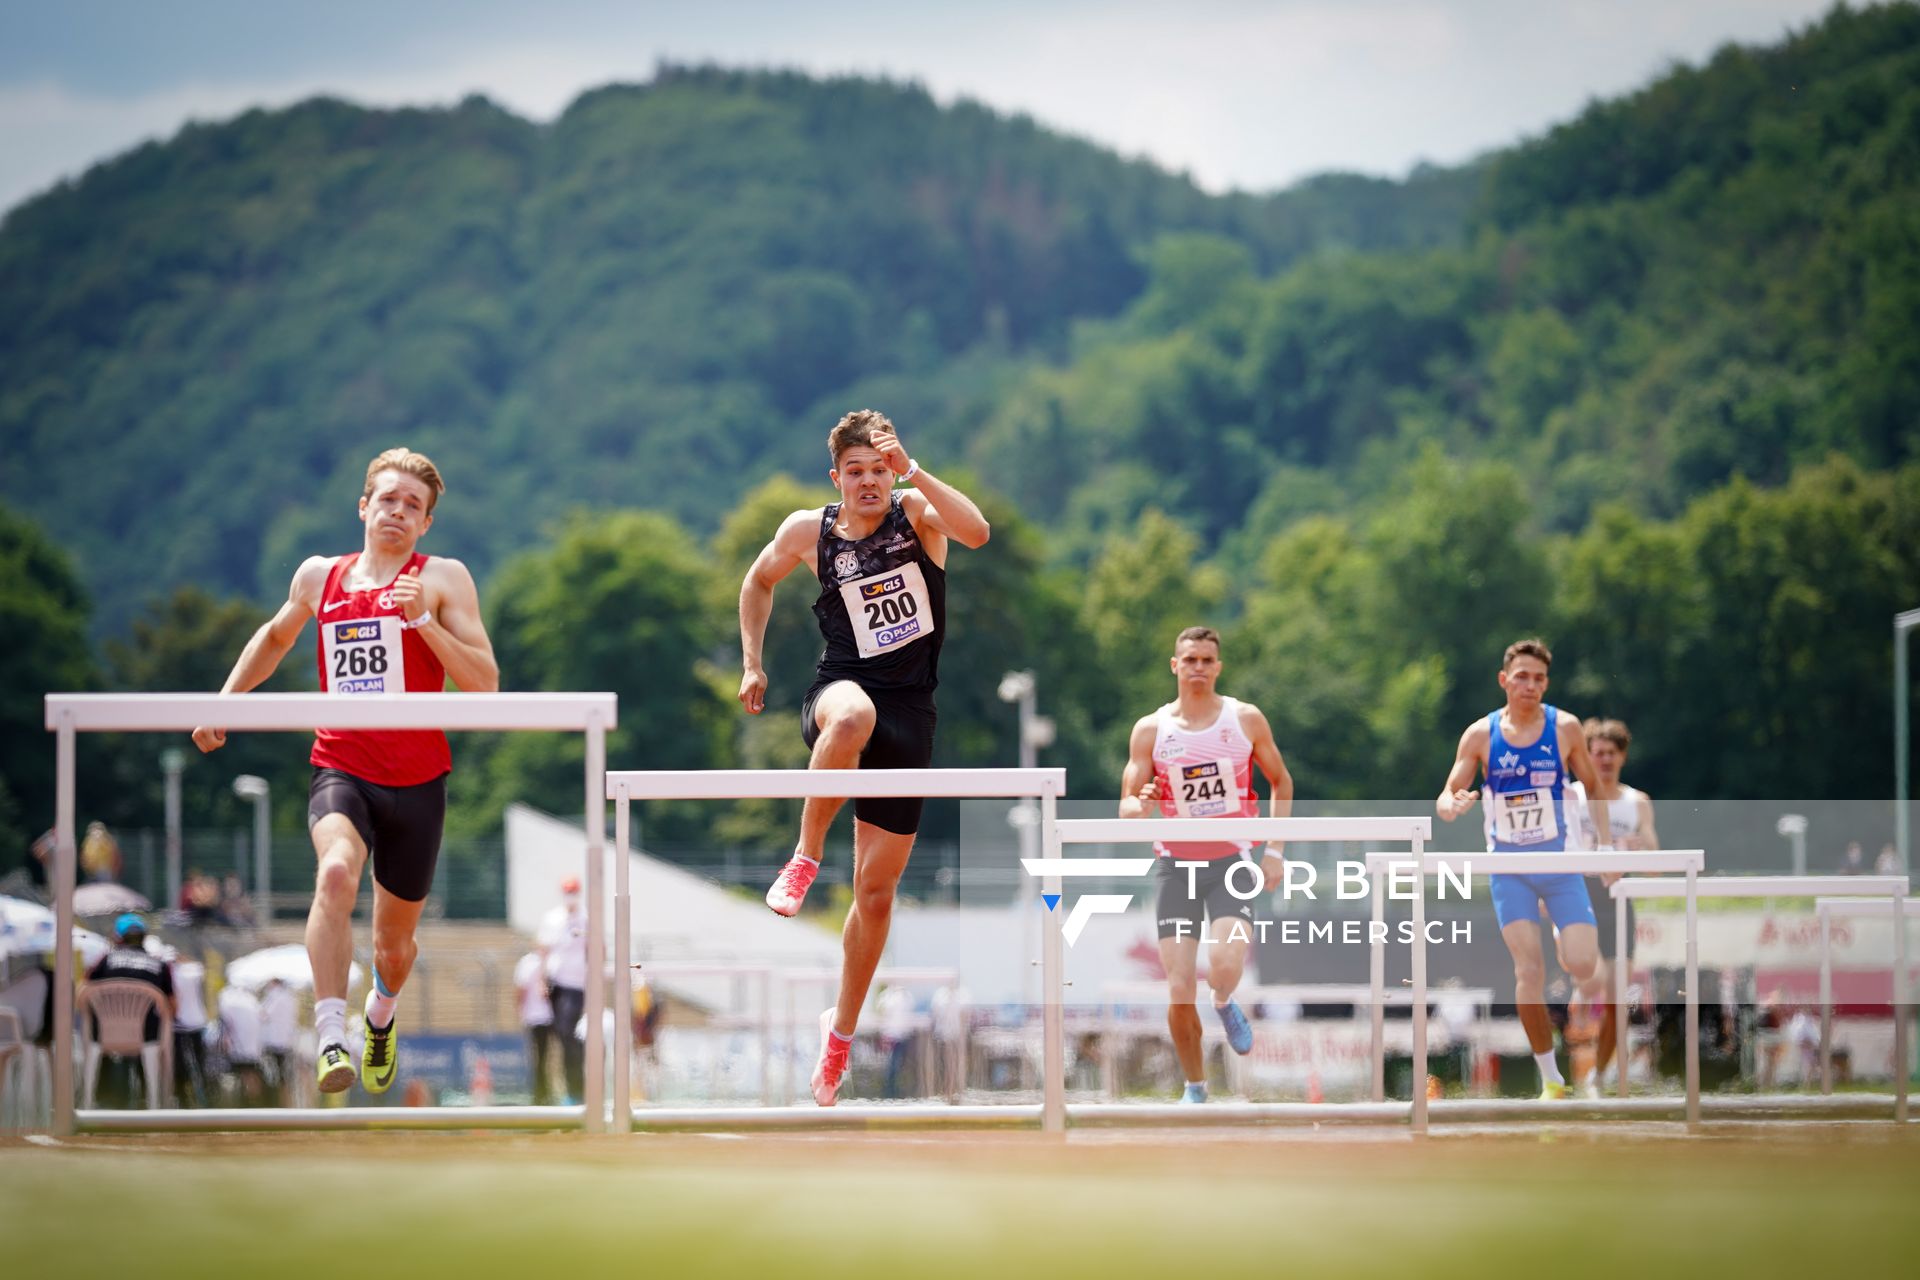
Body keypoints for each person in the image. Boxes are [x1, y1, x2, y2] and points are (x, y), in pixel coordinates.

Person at [191, 446, 499, 1097]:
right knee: (334, 873)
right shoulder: (317, 578)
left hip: (417, 781)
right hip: (342, 766)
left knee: (394, 947)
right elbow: (275, 638)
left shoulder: (442, 579)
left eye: (413, 506)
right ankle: (333, 1031)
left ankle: (378, 1017)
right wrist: (224, 701)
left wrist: (422, 623)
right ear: (363, 505)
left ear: (425, 524)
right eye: (388, 499)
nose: (398, 512)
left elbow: (486, 685)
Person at [738, 409, 991, 1106]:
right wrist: (752, 663)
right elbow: (757, 581)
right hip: (842, 693)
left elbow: (977, 531)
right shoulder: (807, 531)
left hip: (913, 715)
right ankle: (805, 855)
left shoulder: (919, 514)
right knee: (851, 716)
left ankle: (839, 1037)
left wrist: (914, 468)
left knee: (876, 897)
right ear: (838, 478)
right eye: (857, 472)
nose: (870, 482)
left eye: (880, 469)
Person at [1118, 626, 1294, 1103]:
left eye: (1206, 660)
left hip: (1231, 862)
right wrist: (1146, 802)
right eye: (1189, 659)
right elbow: (1127, 808)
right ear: (1175, 666)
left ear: (1218, 667)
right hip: (1176, 866)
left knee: (1224, 963)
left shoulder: (1245, 720)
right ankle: (1195, 1087)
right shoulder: (1152, 730)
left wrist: (1274, 850)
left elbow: (1281, 782)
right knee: (1177, 987)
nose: (1198, 667)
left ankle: (1223, 999)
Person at [1436, 638, 1612, 1101]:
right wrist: (1452, 805)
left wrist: (1607, 847)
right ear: (1504, 680)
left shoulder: (1565, 729)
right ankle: (1551, 1078)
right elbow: (1448, 792)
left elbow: (1594, 789)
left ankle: (1561, 930)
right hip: (1508, 868)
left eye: (1538, 678)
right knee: (1528, 972)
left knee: (1582, 964)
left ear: (1546, 683)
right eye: (1521, 677)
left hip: (1559, 863)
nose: (1530, 685)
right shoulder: (1480, 735)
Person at [1565, 717, 1659, 1097]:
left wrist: (1640, 846)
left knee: (1619, 1001)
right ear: (1586, 755)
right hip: (1576, 894)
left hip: (1619, 900)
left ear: (1622, 757)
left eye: (1610, 753)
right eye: (1596, 753)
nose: (1603, 760)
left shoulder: (1636, 802)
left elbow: (1654, 853)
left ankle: (1597, 1077)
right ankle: (1582, 993)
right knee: (1592, 978)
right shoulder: (1571, 795)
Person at [84, 913, 174, 1107]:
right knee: (156, 1030)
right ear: (144, 937)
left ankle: (93, 1102)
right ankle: (152, 1103)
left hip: (103, 1037)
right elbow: (173, 1007)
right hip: (146, 1037)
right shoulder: (160, 966)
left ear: (118, 937)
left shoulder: (105, 961)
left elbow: (83, 993)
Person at [537, 877, 588, 1104]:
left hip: (576, 984)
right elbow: (543, 949)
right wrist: (541, 980)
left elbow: (595, 949)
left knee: (568, 1032)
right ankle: (569, 1090)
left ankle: (578, 1089)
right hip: (556, 983)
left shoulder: (586, 918)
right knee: (560, 1034)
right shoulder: (553, 918)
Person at [168, 950, 211, 1108]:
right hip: (197, 1022)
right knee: (199, 1063)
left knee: (180, 1065)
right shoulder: (194, 970)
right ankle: (203, 1099)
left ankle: (183, 1099)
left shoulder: (171, 972)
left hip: (179, 1025)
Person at [514, 948, 556, 1105]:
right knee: (542, 1058)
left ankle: (542, 1093)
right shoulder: (534, 962)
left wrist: (520, 1010)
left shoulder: (532, 962)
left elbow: (521, 990)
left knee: (540, 1058)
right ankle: (542, 1093)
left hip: (538, 1017)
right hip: (541, 1016)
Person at [259, 977, 299, 1105]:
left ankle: (277, 1104)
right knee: (286, 1077)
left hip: (274, 1043)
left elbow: (263, 1015)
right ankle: (287, 1104)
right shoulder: (290, 997)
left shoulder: (275, 996)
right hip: (287, 1042)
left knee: (276, 1077)